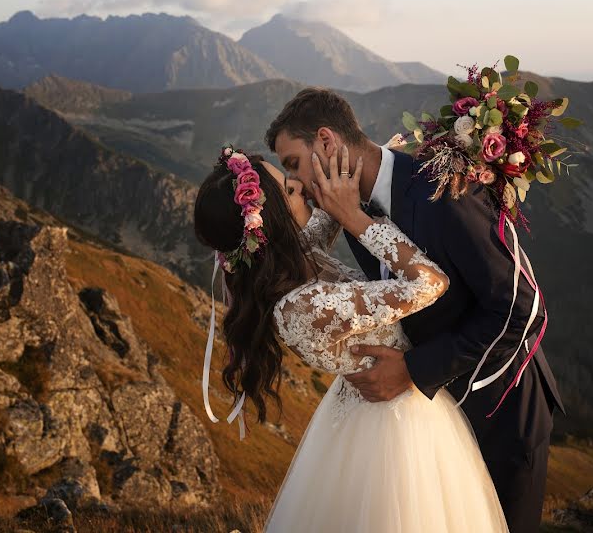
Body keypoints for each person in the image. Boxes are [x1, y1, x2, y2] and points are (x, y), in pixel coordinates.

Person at [266, 87, 566, 533]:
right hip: (438, 420)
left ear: (327, 142)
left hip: (500, 407)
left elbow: (524, 310)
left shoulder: (445, 192)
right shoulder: (349, 201)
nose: (298, 185)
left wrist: (413, 370)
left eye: (293, 164)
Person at [194, 145, 508, 532]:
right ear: (271, 221)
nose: (298, 185)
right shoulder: (302, 309)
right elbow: (430, 283)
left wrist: (376, 157)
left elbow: (328, 214)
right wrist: (357, 217)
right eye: (289, 190)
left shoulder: (292, 256)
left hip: (385, 405)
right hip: (390, 429)